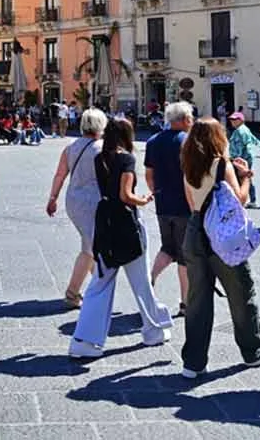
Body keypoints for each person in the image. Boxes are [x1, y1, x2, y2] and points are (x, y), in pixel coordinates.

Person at [180, 118, 260, 379]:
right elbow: (240, 201)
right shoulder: (221, 165)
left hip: (194, 232)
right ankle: (253, 351)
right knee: (241, 292)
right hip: (221, 236)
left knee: (197, 301)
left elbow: (192, 203)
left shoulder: (188, 165)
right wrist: (245, 177)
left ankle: (193, 362)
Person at [67, 118, 174, 359]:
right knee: (141, 281)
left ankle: (84, 340)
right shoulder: (126, 158)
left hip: (105, 222)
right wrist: (143, 199)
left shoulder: (100, 157)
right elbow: (125, 195)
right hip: (126, 224)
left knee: (101, 282)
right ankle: (153, 330)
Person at [46, 108, 105, 308]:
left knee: (91, 244)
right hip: (94, 202)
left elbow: (60, 175)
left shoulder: (70, 147)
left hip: (74, 202)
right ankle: (73, 293)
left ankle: (99, 286)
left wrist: (53, 198)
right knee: (89, 248)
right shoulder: (102, 148)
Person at [144, 102, 193, 317]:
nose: (192, 121)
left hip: (163, 203)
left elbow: (148, 174)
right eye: (190, 117)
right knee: (184, 256)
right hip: (185, 205)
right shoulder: (188, 142)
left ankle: (149, 280)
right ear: (183, 120)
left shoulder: (153, 141)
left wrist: (156, 192)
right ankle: (185, 303)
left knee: (167, 247)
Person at [226, 111, 260, 206]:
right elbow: (253, 138)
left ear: (241, 120)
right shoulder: (243, 129)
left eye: (235, 119)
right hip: (244, 157)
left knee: (242, 177)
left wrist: (237, 159)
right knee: (245, 177)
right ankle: (251, 199)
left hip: (241, 158)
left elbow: (245, 144)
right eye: (231, 119)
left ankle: (244, 199)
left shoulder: (240, 131)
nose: (232, 121)